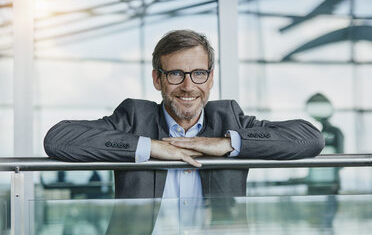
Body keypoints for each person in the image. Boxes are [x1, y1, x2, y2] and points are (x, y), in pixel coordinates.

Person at [44, 29, 325, 200]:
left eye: (198, 74)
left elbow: (310, 138)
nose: (189, 86)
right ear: (158, 79)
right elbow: (58, 139)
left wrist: (228, 143)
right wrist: (150, 147)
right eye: (176, 74)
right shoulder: (134, 117)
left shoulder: (230, 119)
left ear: (210, 78)